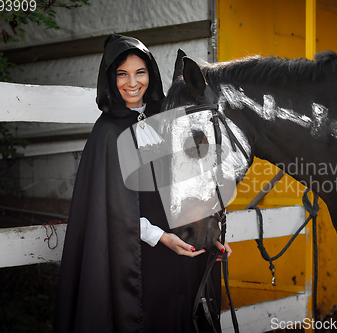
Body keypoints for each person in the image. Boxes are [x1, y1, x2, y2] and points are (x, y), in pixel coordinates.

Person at [54, 34, 229, 333]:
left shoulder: (164, 120)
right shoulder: (106, 133)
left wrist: (205, 231)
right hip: (135, 257)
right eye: (122, 74)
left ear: (151, 74)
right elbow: (111, 209)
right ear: (110, 78)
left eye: (140, 72)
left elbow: (182, 186)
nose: (132, 83)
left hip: (178, 250)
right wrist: (160, 237)